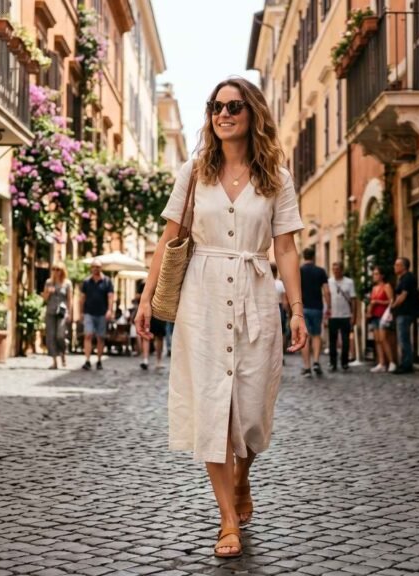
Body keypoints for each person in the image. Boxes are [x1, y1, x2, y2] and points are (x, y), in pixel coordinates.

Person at [134, 77, 307, 559]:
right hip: (202, 301)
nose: (223, 114)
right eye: (216, 106)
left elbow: (286, 248)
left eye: (233, 106)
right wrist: (146, 298)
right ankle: (227, 518)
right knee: (213, 408)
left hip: (256, 295)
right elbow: (170, 239)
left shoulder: (277, 177)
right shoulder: (194, 172)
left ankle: (242, 477)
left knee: (250, 410)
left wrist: (296, 309)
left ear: (253, 113)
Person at [299, 246, 330, 377]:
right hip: (317, 307)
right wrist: (329, 307)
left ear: (303, 256)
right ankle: (316, 361)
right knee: (316, 335)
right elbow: (326, 291)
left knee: (304, 337)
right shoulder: (320, 271)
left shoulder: (299, 271)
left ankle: (307, 367)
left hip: (303, 308)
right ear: (313, 256)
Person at [81, 259, 114, 370]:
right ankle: (87, 360)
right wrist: (81, 312)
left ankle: (99, 360)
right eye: (94, 266)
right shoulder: (86, 282)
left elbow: (110, 297)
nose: (95, 269)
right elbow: (82, 298)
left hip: (102, 313)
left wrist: (109, 310)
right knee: (88, 335)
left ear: (101, 268)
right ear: (91, 268)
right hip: (89, 313)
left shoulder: (107, 281)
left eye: (98, 267)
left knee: (100, 337)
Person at [392, 257, 419, 374]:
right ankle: (405, 363)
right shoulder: (402, 278)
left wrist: (393, 306)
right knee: (403, 338)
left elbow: (403, 295)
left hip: (406, 312)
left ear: (403, 267)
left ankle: (406, 364)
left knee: (403, 339)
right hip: (403, 312)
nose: (395, 267)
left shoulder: (407, 278)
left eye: (397, 265)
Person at [42, 263, 72, 369]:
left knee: (60, 335)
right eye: (53, 269)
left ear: (62, 271)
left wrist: (70, 313)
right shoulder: (48, 282)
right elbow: (44, 299)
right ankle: (55, 361)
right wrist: (48, 292)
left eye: (58, 269)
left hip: (62, 313)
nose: (55, 271)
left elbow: (69, 299)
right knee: (51, 336)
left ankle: (63, 353)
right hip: (50, 311)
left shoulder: (67, 283)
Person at [327, 262, 356, 371]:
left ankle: (344, 362)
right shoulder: (329, 281)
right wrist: (326, 313)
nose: (335, 271)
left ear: (342, 270)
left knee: (345, 340)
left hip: (345, 315)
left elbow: (353, 299)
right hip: (333, 315)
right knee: (332, 341)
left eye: (338, 269)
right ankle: (332, 363)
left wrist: (354, 315)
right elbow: (326, 297)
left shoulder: (349, 282)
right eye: (334, 269)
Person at [367, 265, 396, 373]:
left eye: (376, 274)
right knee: (377, 340)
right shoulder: (374, 288)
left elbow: (391, 301)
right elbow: (371, 302)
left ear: (382, 275)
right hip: (374, 315)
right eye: (373, 274)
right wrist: (369, 311)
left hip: (383, 315)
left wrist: (378, 302)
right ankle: (381, 363)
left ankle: (391, 362)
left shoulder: (386, 286)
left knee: (383, 339)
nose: (374, 276)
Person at [272, 264, 289, 354]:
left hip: (268, 307)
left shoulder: (265, 283)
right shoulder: (280, 284)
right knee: (282, 331)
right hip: (279, 308)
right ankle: (281, 353)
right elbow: (285, 301)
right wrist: (287, 312)